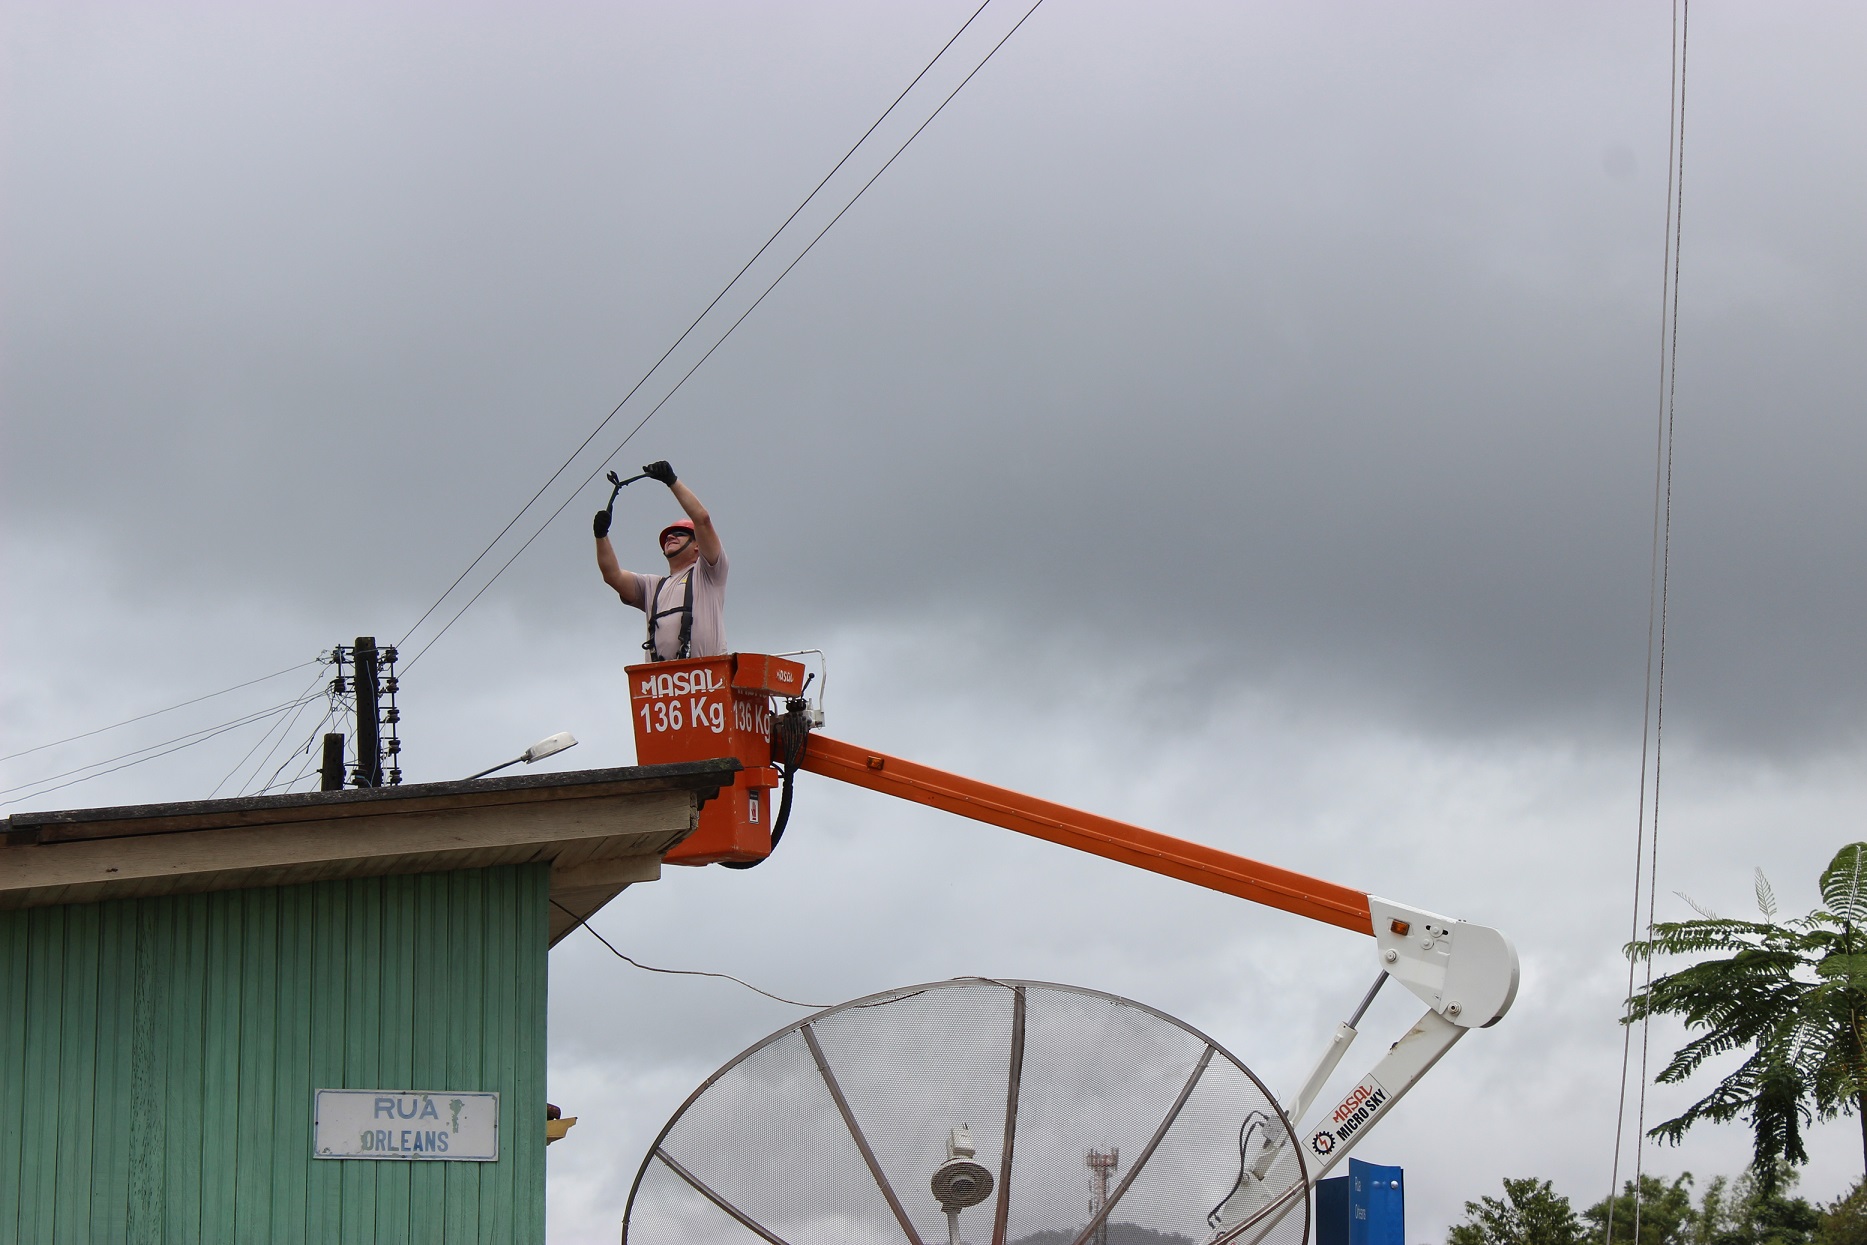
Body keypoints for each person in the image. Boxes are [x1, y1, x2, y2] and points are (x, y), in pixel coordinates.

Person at [594, 460, 728, 661]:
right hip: (662, 684)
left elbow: (702, 519)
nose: (670, 537)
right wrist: (601, 535)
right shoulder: (653, 586)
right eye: (667, 536)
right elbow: (612, 575)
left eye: (680, 534)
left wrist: (671, 481)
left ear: (698, 545)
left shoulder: (709, 573)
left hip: (707, 679)